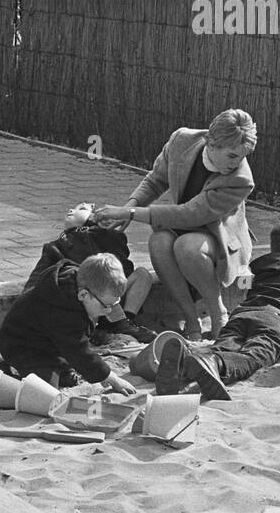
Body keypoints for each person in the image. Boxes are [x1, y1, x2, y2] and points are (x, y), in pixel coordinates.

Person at [93, 108, 256, 342]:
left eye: (243, 156)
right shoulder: (182, 140)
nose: (238, 162)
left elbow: (189, 214)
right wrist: (130, 207)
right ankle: (191, 319)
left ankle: (218, 312)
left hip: (217, 237)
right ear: (211, 143)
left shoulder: (241, 180)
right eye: (232, 155)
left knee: (187, 247)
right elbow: (155, 180)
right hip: (181, 226)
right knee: (158, 241)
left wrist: (129, 212)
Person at [154, 218, 280, 400]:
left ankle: (185, 365)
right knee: (257, 354)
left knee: (225, 344)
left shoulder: (258, 268)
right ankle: (217, 364)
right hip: (275, 321)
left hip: (242, 313)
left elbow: (250, 286)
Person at [0, 252, 137, 394]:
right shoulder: (61, 309)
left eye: (115, 304)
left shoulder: (81, 285)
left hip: (50, 343)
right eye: (106, 306)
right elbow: (77, 349)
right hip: (21, 345)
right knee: (44, 389)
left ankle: (58, 370)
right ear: (83, 295)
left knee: (68, 372)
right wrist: (110, 377)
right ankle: (4, 374)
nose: (109, 311)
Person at [23, 202, 155, 342]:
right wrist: (27, 298)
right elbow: (39, 275)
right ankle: (97, 328)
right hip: (83, 300)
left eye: (81, 208)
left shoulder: (106, 236)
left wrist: (110, 234)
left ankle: (125, 322)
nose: (71, 209)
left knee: (142, 274)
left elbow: (124, 270)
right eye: (74, 208)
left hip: (110, 299)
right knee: (91, 276)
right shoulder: (58, 244)